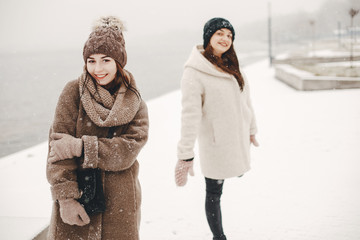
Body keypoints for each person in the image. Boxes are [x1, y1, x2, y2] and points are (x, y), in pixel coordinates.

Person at [46, 16, 149, 240]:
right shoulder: (73, 92)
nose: (97, 68)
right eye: (91, 61)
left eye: (105, 60)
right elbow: (57, 150)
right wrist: (66, 199)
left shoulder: (134, 101)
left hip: (120, 204)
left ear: (119, 62)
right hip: (79, 199)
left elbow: (127, 151)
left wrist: (82, 147)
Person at [175, 17, 259, 240]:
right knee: (214, 192)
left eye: (229, 35)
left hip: (237, 139)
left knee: (233, 173)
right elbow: (189, 116)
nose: (225, 39)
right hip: (214, 144)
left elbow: (246, 101)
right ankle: (218, 237)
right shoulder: (194, 72)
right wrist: (185, 155)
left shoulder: (232, 65)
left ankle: (236, 168)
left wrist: (251, 128)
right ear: (208, 37)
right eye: (220, 33)